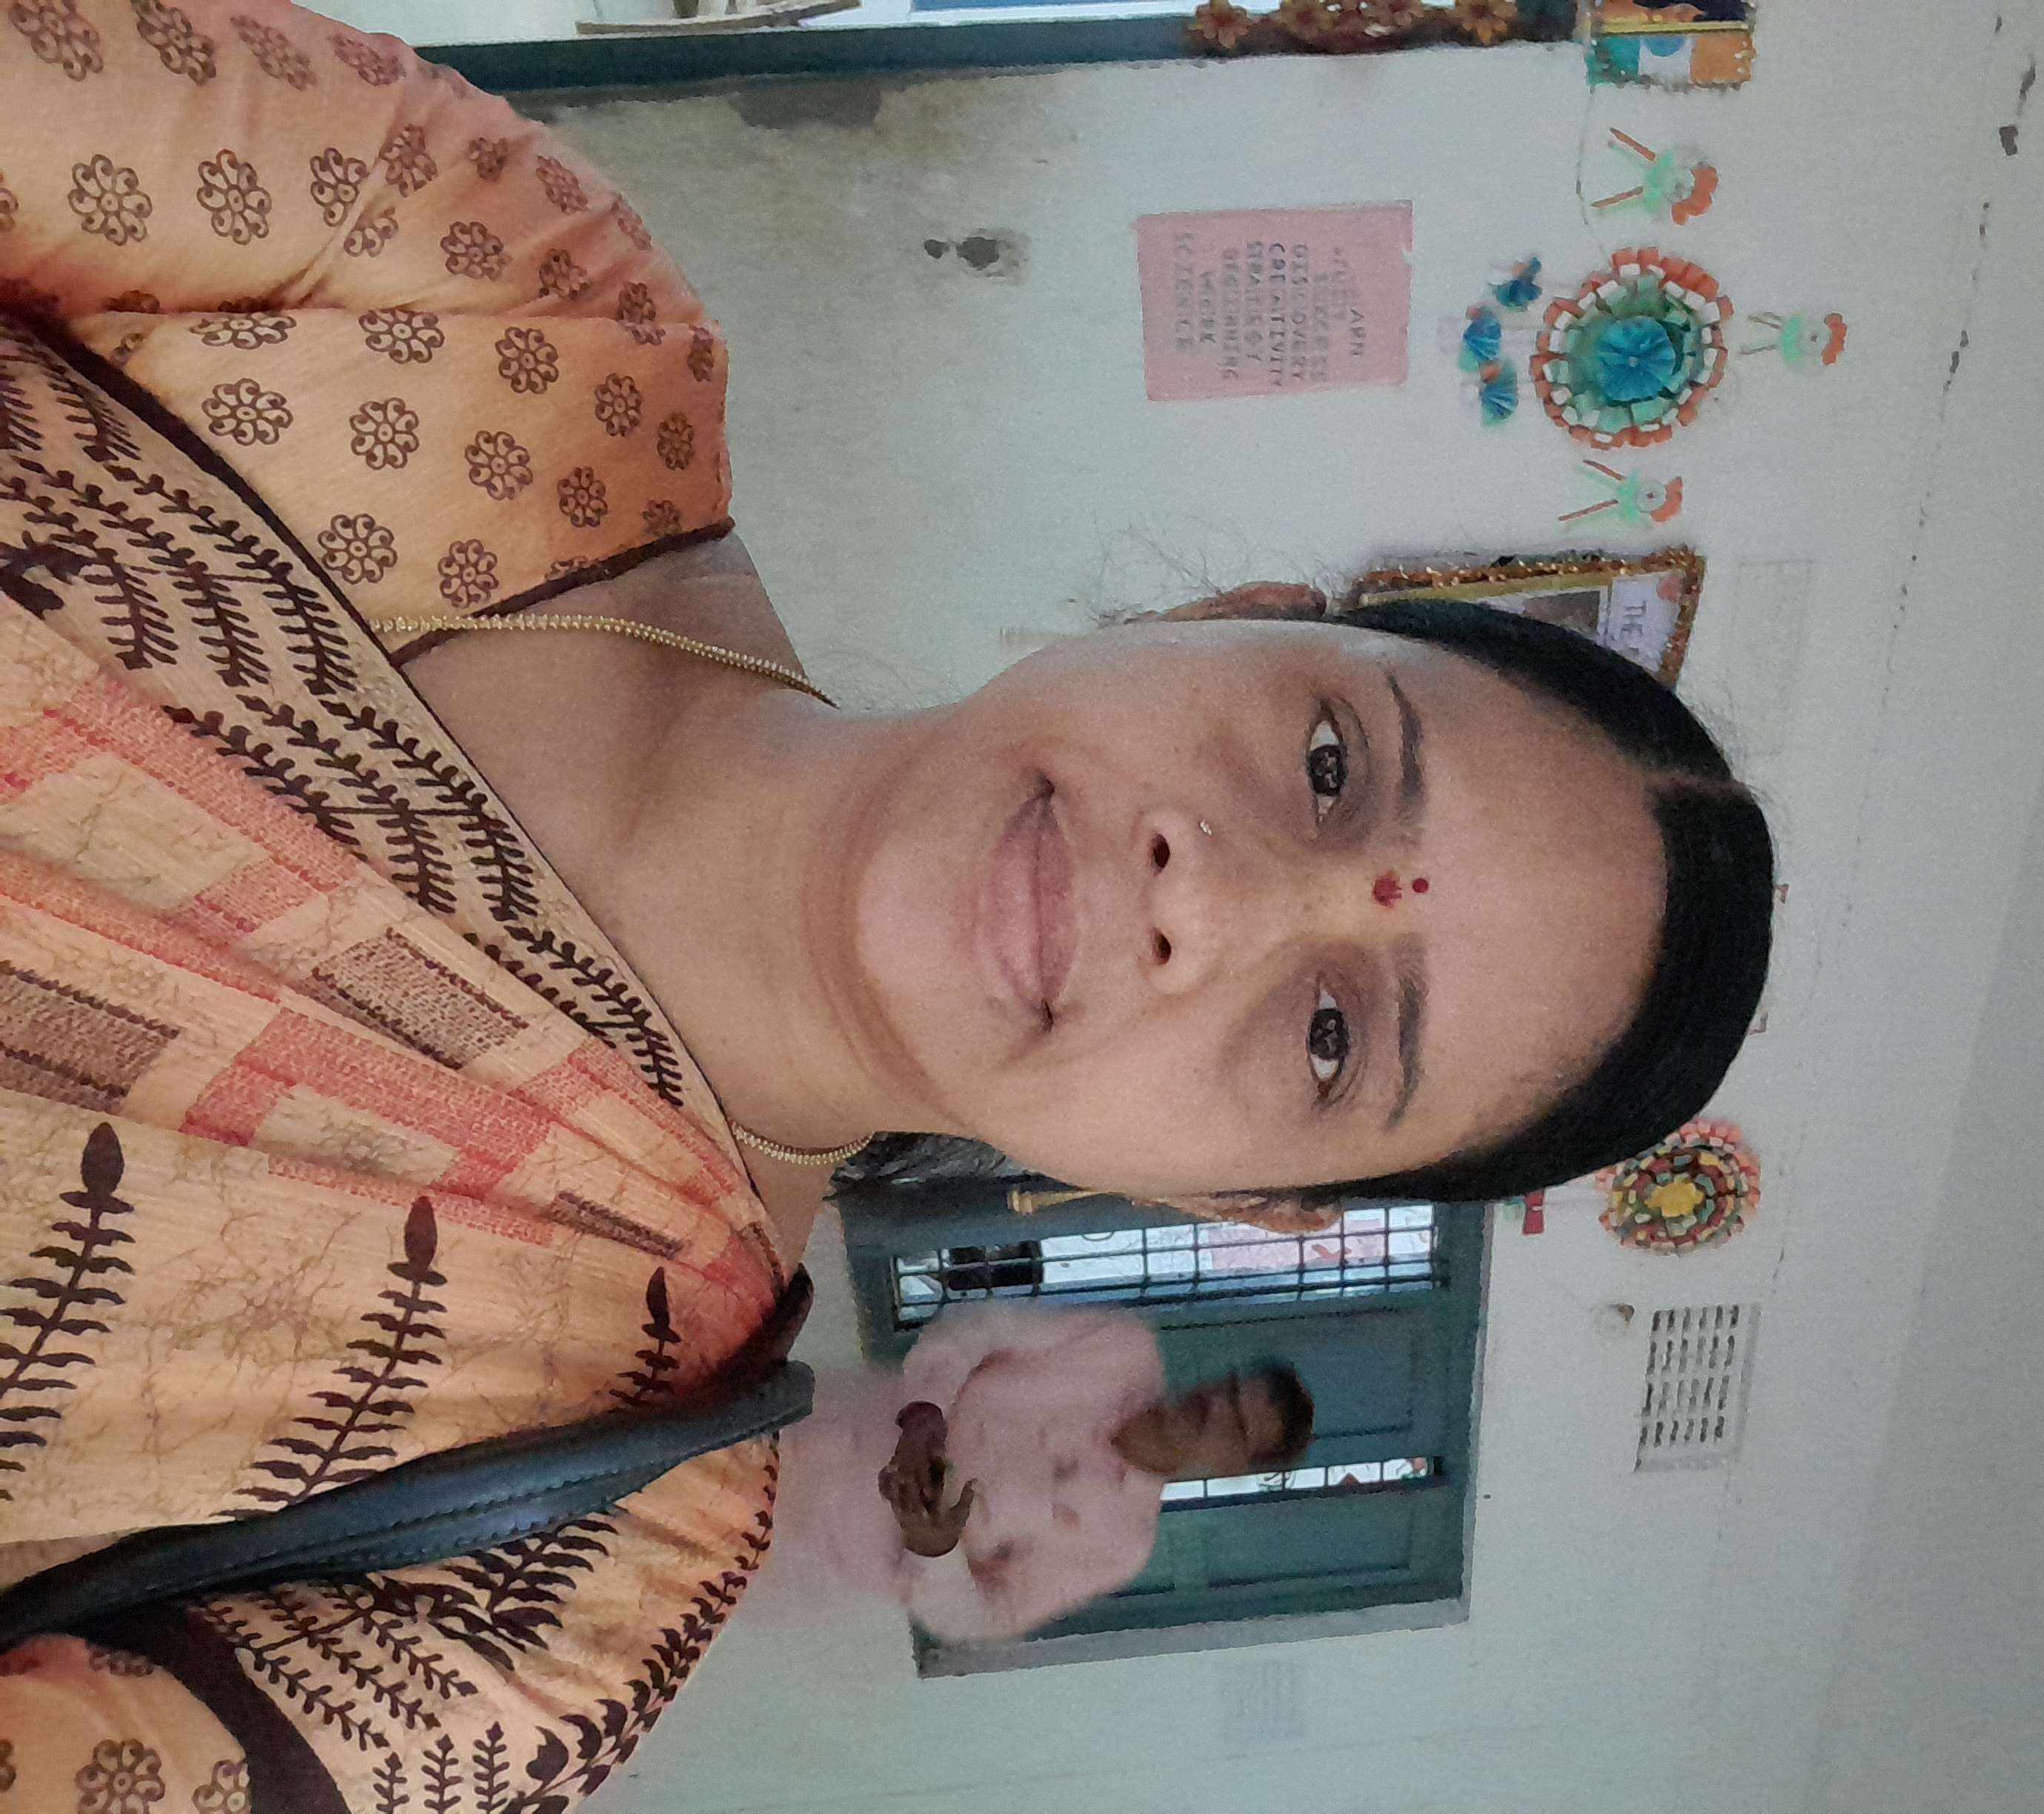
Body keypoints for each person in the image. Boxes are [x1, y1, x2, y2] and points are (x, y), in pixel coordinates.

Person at [0, 3, 1772, 1807]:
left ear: (1236, 1197)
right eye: (1331, 760)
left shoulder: (534, 1616)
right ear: (1224, 612)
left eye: (1331, 1037)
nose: (1212, 899)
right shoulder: (500, 301)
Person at [786, 1304, 1312, 1642]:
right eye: (1229, 1388)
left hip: (807, 1552)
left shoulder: (1120, 1544)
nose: (1215, 1405)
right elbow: (982, 1327)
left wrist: (936, 1551)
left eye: (1236, 1426)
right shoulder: (1120, 1346)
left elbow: (985, 1617)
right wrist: (926, 1411)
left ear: (1232, 1467)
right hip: (810, 1418)